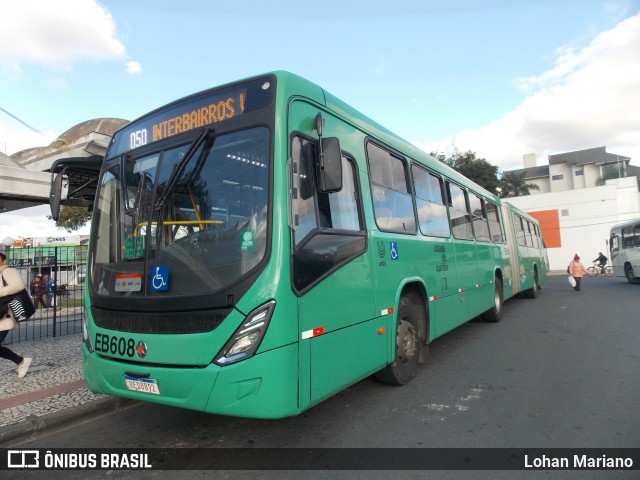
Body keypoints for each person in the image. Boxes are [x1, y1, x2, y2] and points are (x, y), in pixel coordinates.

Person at [0, 252, 32, 378]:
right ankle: (21, 361)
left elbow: (19, 285)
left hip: (5, 315)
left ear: (4, 261)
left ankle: (21, 361)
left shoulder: (8, 271)